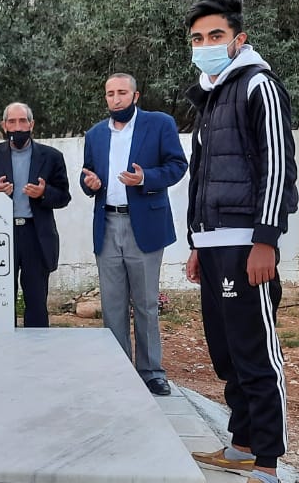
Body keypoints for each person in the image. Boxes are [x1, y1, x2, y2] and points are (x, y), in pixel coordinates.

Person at [182, 0, 298, 483]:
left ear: (238, 39)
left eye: (216, 36)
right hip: (212, 245)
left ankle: (267, 462)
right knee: (227, 352)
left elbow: (278, 166)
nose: (205, 45)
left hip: (246, 242)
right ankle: (242, 444)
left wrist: (265, 239)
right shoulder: (209, 97)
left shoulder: (258, 86)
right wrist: (195, 242)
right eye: (197, 39)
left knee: (255, 352)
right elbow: (201, 176)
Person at [80, 74, 188, 396]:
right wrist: (90, 184)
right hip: (107, 224)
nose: (116, 99)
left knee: (145, 303)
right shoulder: (95, 134)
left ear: (136, 95)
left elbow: (177, 165)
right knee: (112, 305)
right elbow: (88, 176)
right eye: (110, 94)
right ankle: (118, 370)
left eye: (122, 93)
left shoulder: (159, 124)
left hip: (145, 224)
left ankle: (152, 372)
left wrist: (144, 178)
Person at [0, 102, 71, 328]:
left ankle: (37, 348)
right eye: (12, 122)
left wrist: (44, 193)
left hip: (36, 235)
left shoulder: (51, 156)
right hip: (0, 237)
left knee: (36, 301)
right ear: (4, 125)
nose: (18, 127)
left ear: (31, 124)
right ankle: (4, 347)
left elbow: (64, 196)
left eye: (23, 121)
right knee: (1, 301)